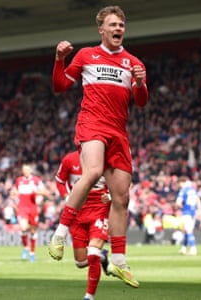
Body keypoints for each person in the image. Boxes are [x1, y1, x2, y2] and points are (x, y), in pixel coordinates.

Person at [48, 5, 148, 288]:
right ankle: (60, 232)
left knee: (121, 198)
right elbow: (59, 86)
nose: (118, 29)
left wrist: (140, 83)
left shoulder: (133, 63)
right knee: (91, 172)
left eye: (121, 25)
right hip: (92, 124)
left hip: (118, 132)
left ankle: (118, 261)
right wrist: (59, 59)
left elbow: (141, 101)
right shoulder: (85, 55)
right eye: (113, 25)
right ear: (101, 30)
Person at [55, 150, 111, 300]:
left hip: (99, 210)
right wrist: (67, 197)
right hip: (77, 213)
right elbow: (60, 181)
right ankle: (102, 256)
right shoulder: (69, 159)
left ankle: (89, 296)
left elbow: (120, 182)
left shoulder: (104, 158)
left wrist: (110, 195)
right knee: (80, 262)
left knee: (92, 253)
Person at [14, 164, 47, 262]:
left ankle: (32, 253)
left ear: (30, 170)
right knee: (23, 228)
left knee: (33, 231)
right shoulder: (19, 180)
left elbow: (44, 192)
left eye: (27, 169)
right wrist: (15, 194)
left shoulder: (36, 180)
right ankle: (25, 247)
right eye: (23, 170)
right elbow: (15, 191)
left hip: (32, 208)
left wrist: (36, 192)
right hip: (22, 207)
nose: (25, 171)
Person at [175, 176, 201, 255]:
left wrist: (179, 207)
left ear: (181, 182)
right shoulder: (193, 190)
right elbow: (198, 200)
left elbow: (178, 202)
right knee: (187, 230)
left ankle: (193, 248)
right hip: (193, 212)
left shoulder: (183, 190)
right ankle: (183, 248)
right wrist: (199, 210)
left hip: (186, 212)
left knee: (189, 230)